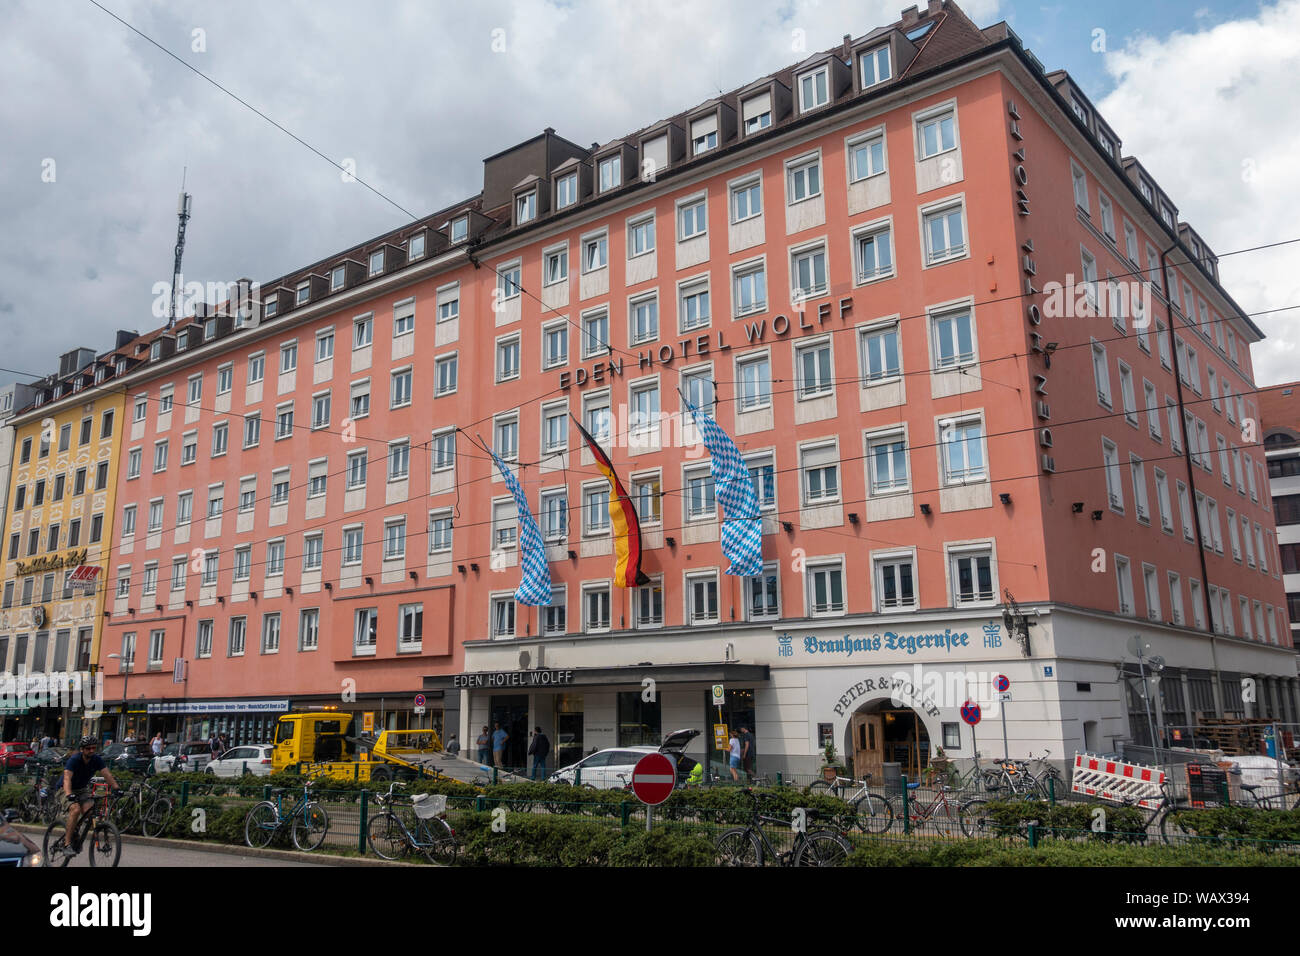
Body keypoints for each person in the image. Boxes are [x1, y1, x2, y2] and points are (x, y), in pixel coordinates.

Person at [60, 735, 120, 857]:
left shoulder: (96, 759)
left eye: (93, 748)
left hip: (81, 790)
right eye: (88, 748)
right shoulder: (74, 760)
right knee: (75, 809)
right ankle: (66, 844)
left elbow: (107, 774)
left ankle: (75, 832)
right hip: (65, 789)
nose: (91, 750)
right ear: (82, 749)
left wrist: (117, 789)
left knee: (89, 811)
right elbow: (67, 778)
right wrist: (68, 794)